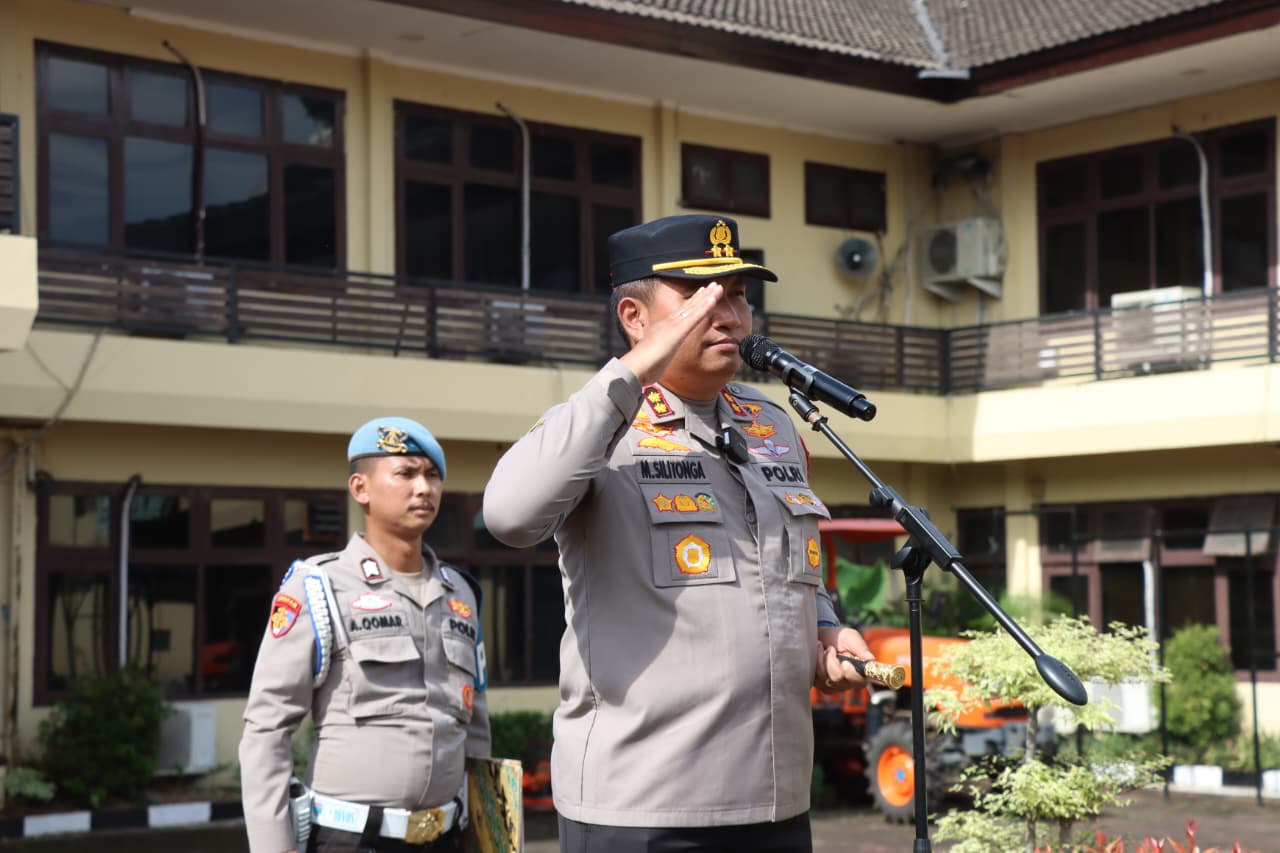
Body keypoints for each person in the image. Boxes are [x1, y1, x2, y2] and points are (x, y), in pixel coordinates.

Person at [482, 214, 872, 852]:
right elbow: (509, 516)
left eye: (738, 295)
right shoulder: (596, 428)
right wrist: (632, 373)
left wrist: (825, 627)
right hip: (644, 807)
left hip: (776, 801)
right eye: (699, 297)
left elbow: (787, 565)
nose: (729, 316)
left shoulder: (772, 426)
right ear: (634, 317)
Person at [240, 417, 490, 853]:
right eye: (406, 473)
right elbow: (267, 727)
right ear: (361, 488)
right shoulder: (319, 586)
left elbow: (476, 728)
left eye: (432, 476)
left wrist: (487, 837)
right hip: (352, 840)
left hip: (446, 838)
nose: (424, 488)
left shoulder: (460, 593)